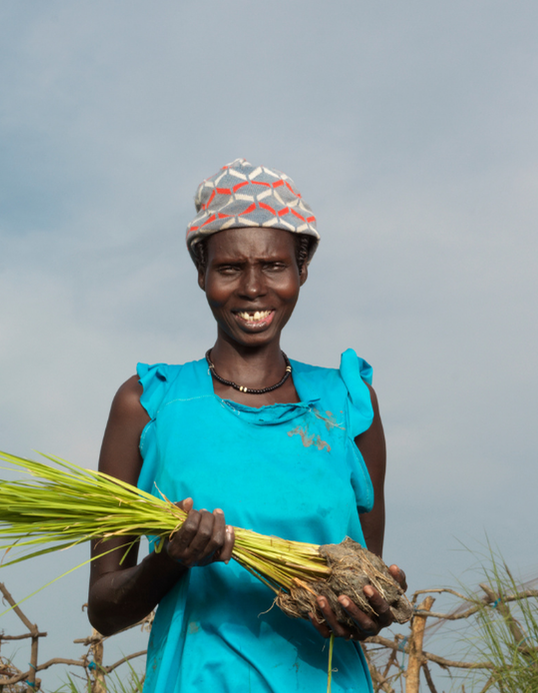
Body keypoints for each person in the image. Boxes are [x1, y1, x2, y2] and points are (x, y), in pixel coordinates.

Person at [85, 159, 405, 691]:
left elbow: (360, 575)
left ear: (302, 270)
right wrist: (170, 561)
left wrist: (371, 607)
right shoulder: (148, 406)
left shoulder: (348, 405)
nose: (254, 288)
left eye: (275, 267)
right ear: (201, 273)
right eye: (230, 268)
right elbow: (104, 609)